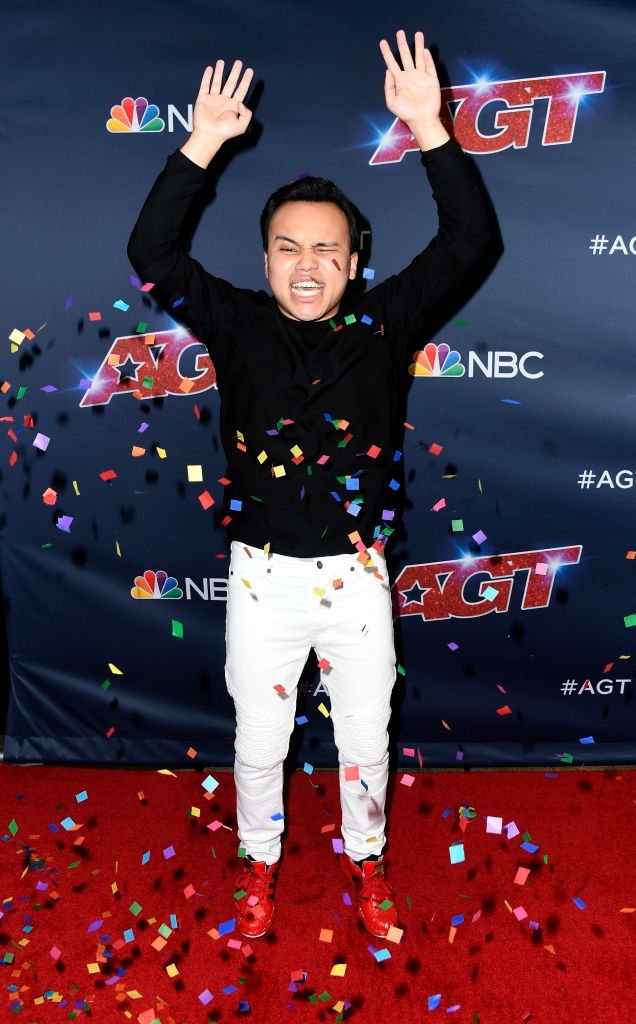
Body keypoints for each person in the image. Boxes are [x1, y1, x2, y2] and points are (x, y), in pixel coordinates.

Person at [128, 29, 496, 940]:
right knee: (259, 744)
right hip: (261, 577)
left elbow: (472, 241)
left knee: (364, 744)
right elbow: (153, 250)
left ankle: (366, 863)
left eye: (327, 250)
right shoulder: (235, 320)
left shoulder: (387, 319)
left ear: (354, 261)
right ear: (264, 261)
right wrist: (201, 143)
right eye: (288, 247)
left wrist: (428, 128)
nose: (306, 264)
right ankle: (258, 864)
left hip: (359, 578)